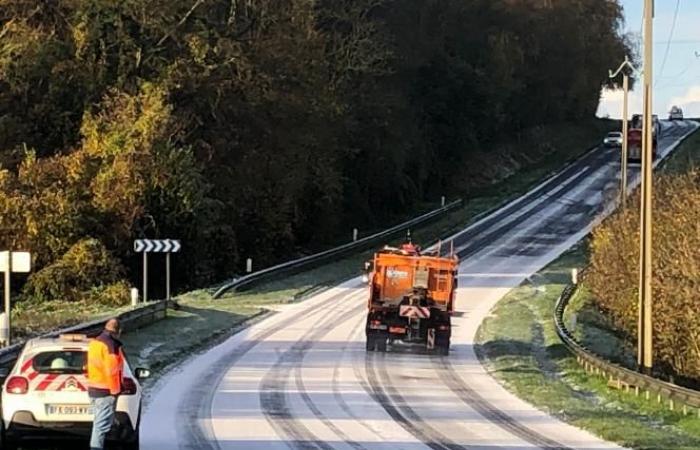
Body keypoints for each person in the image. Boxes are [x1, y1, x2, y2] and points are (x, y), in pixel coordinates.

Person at [87, 318, 125, 450]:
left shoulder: (95, 342)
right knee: (101, 426)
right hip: (105, 391)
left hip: (94, 389)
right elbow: (112, 371)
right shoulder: (111, 346)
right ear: (118, 331)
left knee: (99, 424)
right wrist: (115, 391)